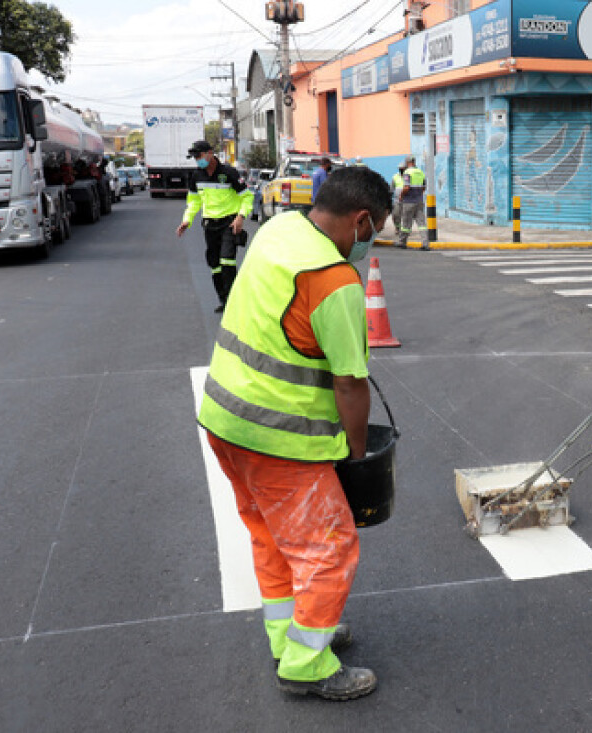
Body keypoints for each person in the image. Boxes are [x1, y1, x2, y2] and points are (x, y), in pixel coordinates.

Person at [197, 166, 392, 702]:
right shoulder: (333, 281)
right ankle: (306, 666)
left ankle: (295, 635)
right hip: (277, 438)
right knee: (329, 547)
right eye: (375, 229)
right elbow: (351, 386)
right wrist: (355, 456)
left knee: (273, 539)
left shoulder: (281, 229)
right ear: (360, 221)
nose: (372, 240)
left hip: (224, 420)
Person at [175, 140, 254, 312]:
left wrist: (240, 217)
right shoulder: (197, 176)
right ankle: (224, 299)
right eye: (195, 157)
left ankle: (234, 301)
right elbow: (194, 201)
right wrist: (186, 220)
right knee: (215, 264)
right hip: (210, 225)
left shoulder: (229, 173)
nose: (197, 160)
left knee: (227, 260)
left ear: (210, 153)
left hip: (229, 223)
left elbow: (247, 197)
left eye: (199, 155)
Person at [397, 155, 429, 250]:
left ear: (408, 162)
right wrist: (418, 194)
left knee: (406, 223)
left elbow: (406, 187)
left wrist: (401, 196)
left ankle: (402, 242)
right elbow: (424, 187)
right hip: (419, 201)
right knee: (422, 223)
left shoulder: (407, 172)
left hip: (409, 201)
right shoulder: (421, 172)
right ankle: (425, 244)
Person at [390, 163, 405, 234]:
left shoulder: (408, 177)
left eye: (402, 168)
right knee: (395, 215)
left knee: (406, 215)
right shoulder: (395, 177)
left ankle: (405, 229)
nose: (401, 170)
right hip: (397, 200)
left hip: (406, 200)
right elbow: (391, 189)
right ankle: (397, 227)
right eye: (400, 168)